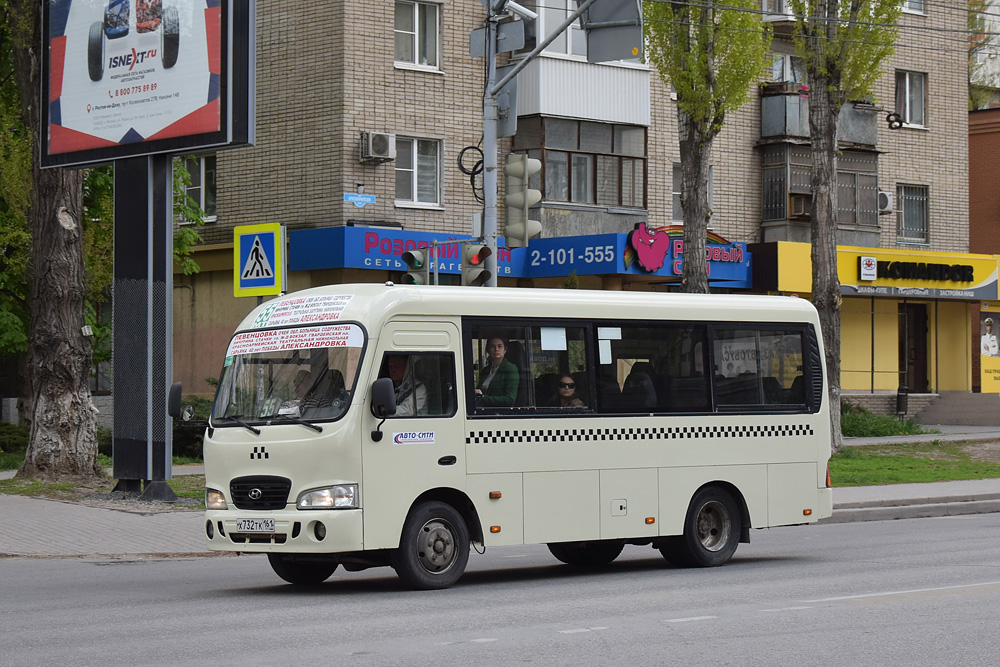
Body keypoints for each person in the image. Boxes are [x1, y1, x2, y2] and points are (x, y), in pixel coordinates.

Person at [475, 337, 518, 407]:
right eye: (492, 346)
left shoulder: (510, 368)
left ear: (505, 350)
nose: (496, 349)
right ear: (488, 350)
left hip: (499, 414)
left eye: (500, 346)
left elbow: (510, 400)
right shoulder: (485, 370)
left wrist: (483, 398)